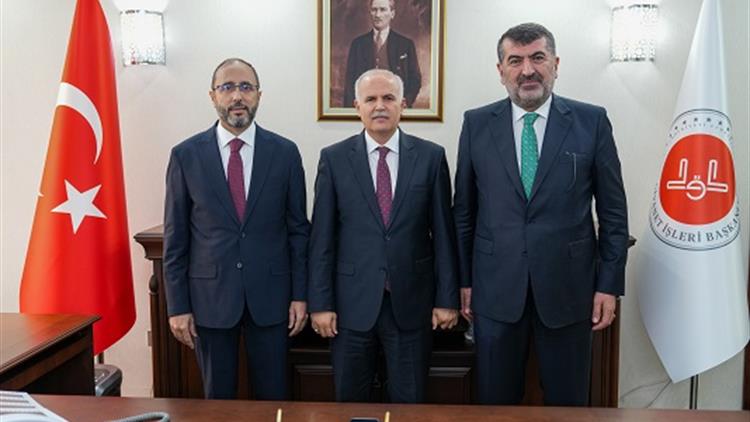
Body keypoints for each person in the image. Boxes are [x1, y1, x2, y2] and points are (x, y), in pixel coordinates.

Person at [453, 23, 629, 406]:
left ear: (556, 64)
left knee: (568, 404)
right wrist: (464, 281)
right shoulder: (476, 124)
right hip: (495, 291)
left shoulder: (591, 121)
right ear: (500, 70)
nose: (527, 70)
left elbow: (614, 213)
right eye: (515, 60)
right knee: (495, 404)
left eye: (537, 58)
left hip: (570, 291)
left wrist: (609, 285)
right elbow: (464, 213)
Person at [163, 58, 310, 400]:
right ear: (212, 95)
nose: (237, 96)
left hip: (272, 299)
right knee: (218, 400)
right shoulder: (185, 155)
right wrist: (177, 306)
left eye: (246, 87)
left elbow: (298, 231)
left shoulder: (285, 153)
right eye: (227, 87)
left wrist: (300, 295)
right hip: (209, 300)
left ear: (259, 94)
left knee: (274, 397)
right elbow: (176, 238)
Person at [309, 69, 458, 403]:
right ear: (357, 106)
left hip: (412, 303)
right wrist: (320, 303)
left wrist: (446, 299)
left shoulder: (431, 157)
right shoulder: (333, 159)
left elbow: (444, 235)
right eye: (371, 99)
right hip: (350, 306)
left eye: (388, 98)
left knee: (410, 402)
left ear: (403, 105)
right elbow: (322, 239)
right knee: (350, 401)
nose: (380, 106)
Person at [343, 0, 422, 108]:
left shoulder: (405, 44)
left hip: (396, 107)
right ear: (370, 12)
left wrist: (405, 102)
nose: (378, 15)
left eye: (383, 10)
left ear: (392, 13)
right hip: (365, 107)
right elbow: (350, 81)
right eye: (374, 10)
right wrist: (351, 110)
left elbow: (415, 79)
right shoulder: (358, 44)